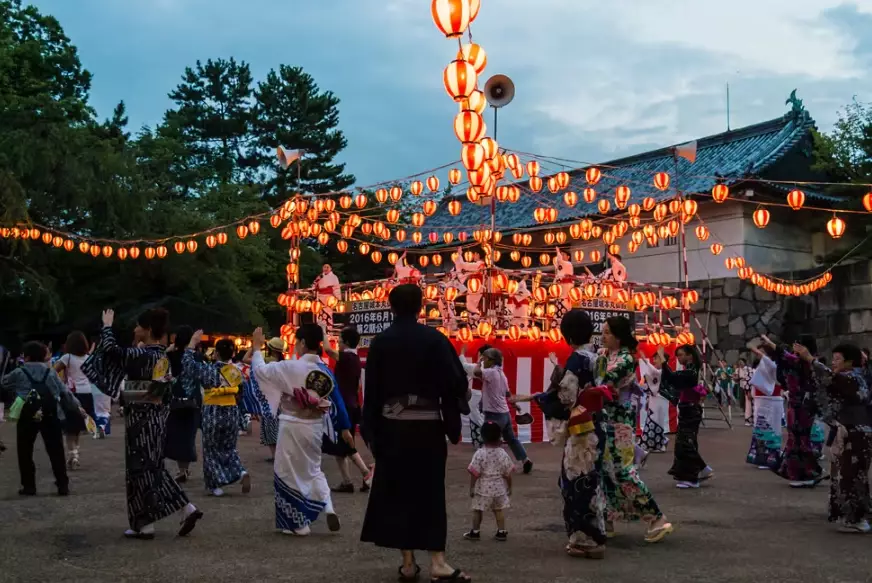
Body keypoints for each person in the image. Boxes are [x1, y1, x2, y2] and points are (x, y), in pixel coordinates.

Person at [360, 284, 472, 582]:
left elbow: (371, 392)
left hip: (391, 428)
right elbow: (457, 383)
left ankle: (408, 563)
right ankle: (438, 561)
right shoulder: (435, 340)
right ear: (421, 307)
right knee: (429, 492)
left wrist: (370, 430)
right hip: (426, 428)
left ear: (391, 307)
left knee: (397, 492)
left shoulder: (381, 342)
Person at [83, 308, 203, 539]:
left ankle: (146, 523)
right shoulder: (161, 356)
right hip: (157, 417)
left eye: (138, 326)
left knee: (140, 470)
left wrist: (107, 326)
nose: (135, 329)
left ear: (147, 330)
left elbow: (111, 350)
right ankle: (180, 511)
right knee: (152, 467)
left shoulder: (142, 355)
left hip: (140, 419)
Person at [513, 309, 609, 559]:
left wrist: (542, 398)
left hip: (581, 428)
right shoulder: (598, 355)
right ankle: (597, 531)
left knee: (576, 482)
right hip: (598, 424)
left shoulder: (577, 359)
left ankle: (586, 539)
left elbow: (566, 396)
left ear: (566, 334)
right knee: (592, 481)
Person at [250, 323, 353, 536]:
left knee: (287, 472)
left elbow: (260, 372)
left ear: (304, 343)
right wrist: (344, 427)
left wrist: (257, 348)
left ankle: (298, 524)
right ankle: (328, 506)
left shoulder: (290, 367)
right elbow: (338, 400)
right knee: (314, 469)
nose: (295, 346)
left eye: (297, 342)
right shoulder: (324, 370)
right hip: (315, 426)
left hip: (291, 424)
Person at [597, 316, 673, 543]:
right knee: (605, 471)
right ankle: (608, 518)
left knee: (622, 472)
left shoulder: (625, 360)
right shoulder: (605, 355)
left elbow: (603, 380)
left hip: (620, 423)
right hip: (605, 420)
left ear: (619, 336)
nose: (603, 336)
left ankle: (657, 518)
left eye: (608, 332)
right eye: (603, 331)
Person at [795, 343, 872, 532]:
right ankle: (856, 516)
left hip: (855, 431)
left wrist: (809, 358)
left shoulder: (850, 378)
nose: (834, 363)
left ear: (849, 362)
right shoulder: (855, 377)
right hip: (853, 430)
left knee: (851, 474)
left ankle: (857, 519)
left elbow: (828, 378)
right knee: (851, 474)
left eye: (837, 359)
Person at [3, 341, 83, 496]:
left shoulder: (19, 372)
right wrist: (78, 407)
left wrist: (19, 389)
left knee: (25, 450)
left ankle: (29, 486)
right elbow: (64, 392)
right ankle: (62, 485)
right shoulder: (50, 372)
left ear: (26, 357)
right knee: (55, 450)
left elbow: (4, 383)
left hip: (27, 414)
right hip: (50, 413)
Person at [762, 335, 826, 488]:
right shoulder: (796, 361)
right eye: (795, 343)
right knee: (795, 438)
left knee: (800, 439)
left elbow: (784, 355)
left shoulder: (809, 362)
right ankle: (800, 472)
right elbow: (782, 357)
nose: (795, 347)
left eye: (799, 344)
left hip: (804, 405)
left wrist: (771, 344)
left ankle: (807, 473)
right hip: (794, 403)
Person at [462, 346, 533, 474]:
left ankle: (491, 466)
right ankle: (525, 459)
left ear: (491, 360)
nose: (484, 361)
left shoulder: (490, 373)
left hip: (493, 414)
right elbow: (507, 392)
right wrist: (514, 404)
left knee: (488, 441)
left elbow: (477, 372)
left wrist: (479, 362)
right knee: (511, 439)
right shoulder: (501, 373)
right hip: (504, 413)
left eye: (485, 359)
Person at [322, 326, 373, 493]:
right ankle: (347, 481)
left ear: (347, 343)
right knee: (341, 447)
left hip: (343, 407)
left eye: (340, 341)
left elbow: (327, 350)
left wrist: (323, 330)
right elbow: (358, 387)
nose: (339, 344)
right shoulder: (356, 359)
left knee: (347, 444)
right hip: (352, 405)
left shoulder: (346, 357)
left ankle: (366, 473)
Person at [657, 345, 713, 489]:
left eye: (681, 355)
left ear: (689, 355)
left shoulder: (691, 371)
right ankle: (698, 471)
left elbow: (671, 377)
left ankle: (693, 476)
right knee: (685, 443)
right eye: (678, 355)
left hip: (691, 411)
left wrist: (663, 359)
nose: (679, 358)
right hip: (688, 409)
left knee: (686, 443)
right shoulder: (690, 370)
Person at [201, 338, 251, 497]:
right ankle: (240, 472)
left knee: (210, 448)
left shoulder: (208, 369)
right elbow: (242, 392)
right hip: (231, 412)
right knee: (229, 447)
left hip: (212, 411)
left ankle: (214, 486)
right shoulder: (236, 371)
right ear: (233, 353)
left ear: (216, 353)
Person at [463, 421, 514, 542]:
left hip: (482, 489)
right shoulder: (502, 453)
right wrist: (510, 487)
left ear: (482, 436)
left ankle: (475, 532)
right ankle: (501, 532)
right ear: (500, 436)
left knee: (477, 509)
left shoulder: (480, 453)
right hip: (498, 489)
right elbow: (507, 473)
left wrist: (472, 487)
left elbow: (474, 473)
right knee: (498, 510)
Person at [53, 331, 96, 469]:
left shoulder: (67, 357)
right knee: (77, 428)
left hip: (72, 394)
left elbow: (53, 371)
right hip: (88, 393)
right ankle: (75, 454)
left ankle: (73, 455)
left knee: (70, 429)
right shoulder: (89, 357)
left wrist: (61, 382)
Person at [164, 326, 201, 482]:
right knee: (188, 436)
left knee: (176, 434)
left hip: (175, 399)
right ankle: (184, 469)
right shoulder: (197, 356)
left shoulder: (171, 355)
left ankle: (181, 470)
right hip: (193, 400)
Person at [745, 345, 784, 470]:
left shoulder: (775, 364)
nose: (759, 355)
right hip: (760, 401)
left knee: (771, 429)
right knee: (760, 429)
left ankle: (772, 457)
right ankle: (760, 457)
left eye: (762, 353)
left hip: (772, 400)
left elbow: (773, 370)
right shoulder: (761, 366)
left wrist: (758, 352)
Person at [257, 337, 286, 461]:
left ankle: (275, 455)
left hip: (268, 398)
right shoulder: (283, 364)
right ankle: (279, 454)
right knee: (278, 426)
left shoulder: (266, 361)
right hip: (280, 399)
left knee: (269, 426)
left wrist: (256, 347)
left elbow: (245, 360)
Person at [733, 357, 754, 425]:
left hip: (748, 385)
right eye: (739, 362)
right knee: (742, 398)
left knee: (748, 400)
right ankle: (744, 411)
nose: (740, 364)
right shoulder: (737, 370)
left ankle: (748, 413)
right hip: (741, 385)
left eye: (741, 362)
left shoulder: (748, 369)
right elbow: (735, 377)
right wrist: (736, 378)